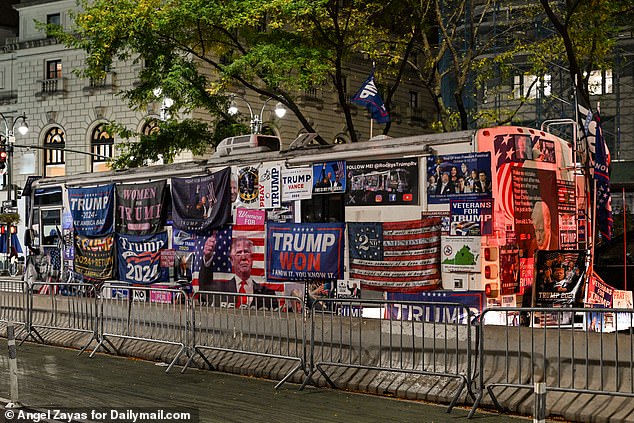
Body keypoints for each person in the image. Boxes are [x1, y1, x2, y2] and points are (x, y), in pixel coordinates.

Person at [201, 236, 277, 309]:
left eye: (247, 252)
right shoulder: (220, 290)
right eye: (238, 253)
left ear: (252, 259)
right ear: (232, 261)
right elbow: (204, 289)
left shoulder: (267, 294)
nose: (243, 257)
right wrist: (208, 258)